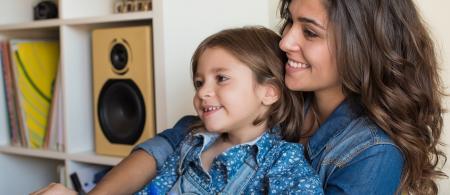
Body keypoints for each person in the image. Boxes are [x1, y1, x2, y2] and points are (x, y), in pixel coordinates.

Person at [33, 0, 447, 194]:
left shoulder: (372, 154)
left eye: (310, 32)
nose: (285, 41)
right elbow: (174, 141)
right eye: (289, 23)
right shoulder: (278, 96)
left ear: (363, 46)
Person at [136, 26, 322, 194]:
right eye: (199, 83)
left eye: (221, 78)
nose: (202, 92)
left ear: (268, 92)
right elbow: (155, 189)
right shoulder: (193, 143)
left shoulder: (282, 160)